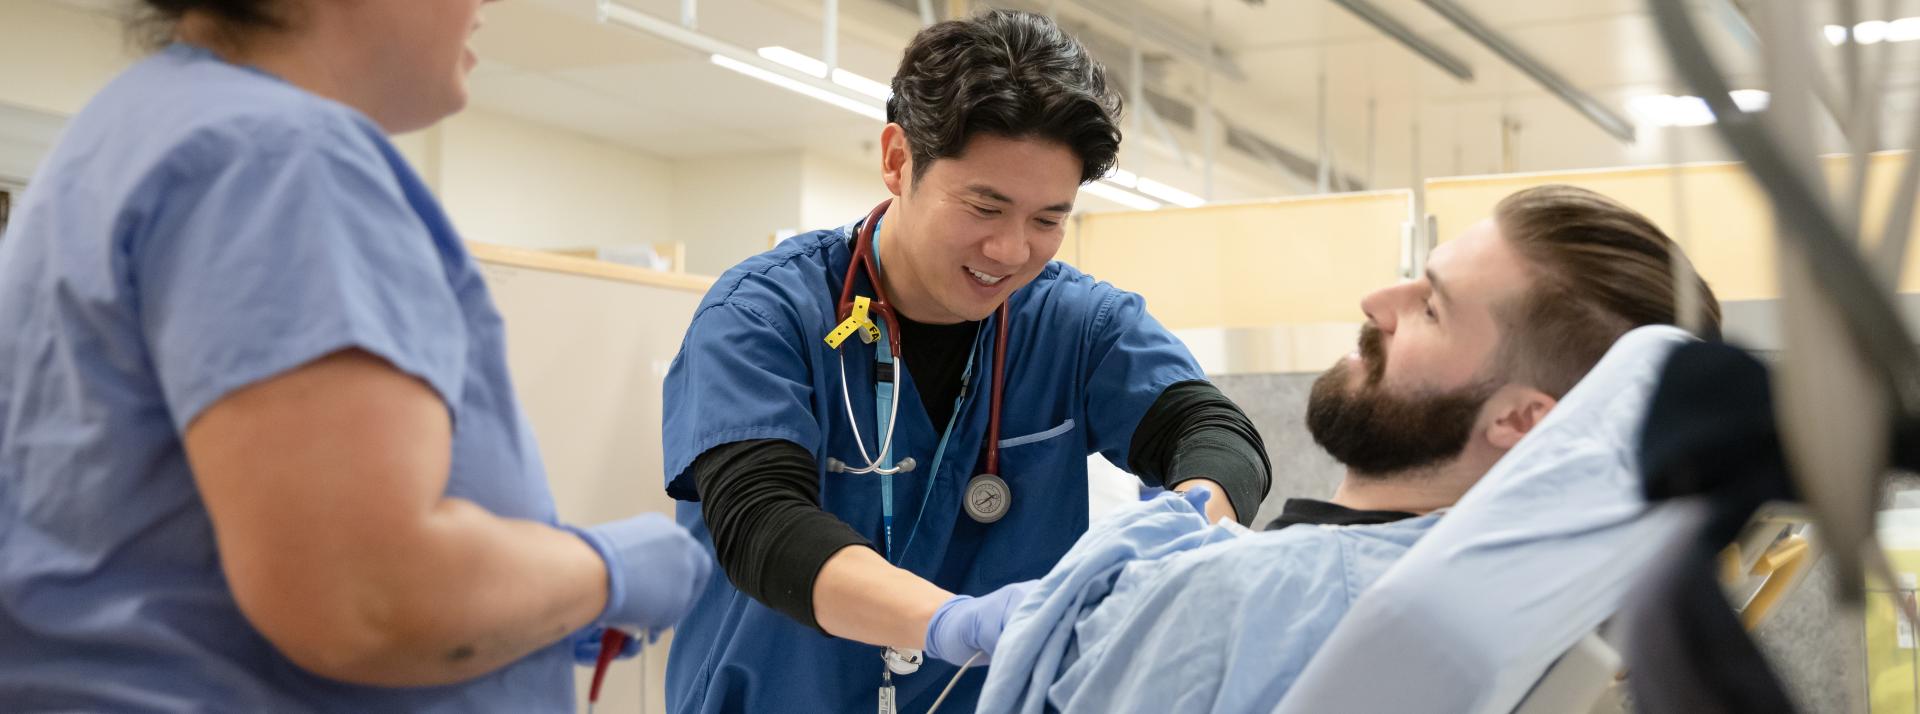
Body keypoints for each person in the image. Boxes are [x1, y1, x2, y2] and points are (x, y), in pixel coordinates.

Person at [0, 1, 708, 710]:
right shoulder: (277, 158)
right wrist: (607, 570)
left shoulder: (136, 129)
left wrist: (530, 608)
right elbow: (367, 596)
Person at [659, 9, 1271, 713]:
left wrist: (1189, 522)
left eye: (1049, 219)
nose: (1013, 252)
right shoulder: (764, 314)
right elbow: (761, 522)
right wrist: (952, 622)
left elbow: (1215, 434)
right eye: (985, 207)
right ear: (897, 160)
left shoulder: (1075, 323)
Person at [977, 184, 1725, 712]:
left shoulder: (1247, 598)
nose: (1378, 302)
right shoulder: (1536, 602)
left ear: (1522, 421)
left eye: (1431, 308)